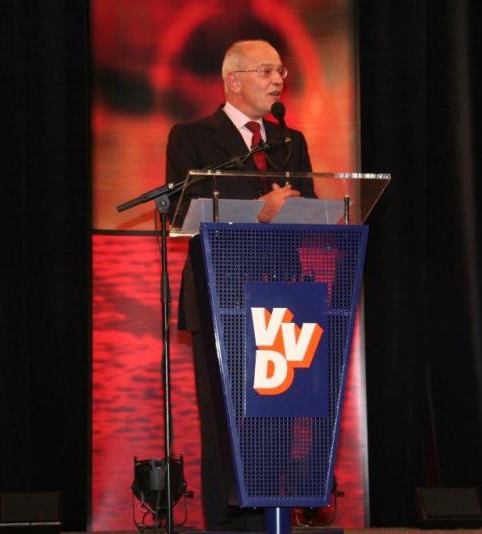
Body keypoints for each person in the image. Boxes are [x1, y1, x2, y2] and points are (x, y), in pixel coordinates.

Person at [164, 39, 314, 530]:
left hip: (283, 295)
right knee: (225, 417)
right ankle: (228, 524)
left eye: (281, 71)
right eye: (266, 71)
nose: (278, 80)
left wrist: (307, 214)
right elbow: (184, 214)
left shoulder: (290, 140)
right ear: (233, 79)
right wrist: (259, 212)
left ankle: (275, 512)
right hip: (220, 292)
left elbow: (308, 208)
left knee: (278, 415)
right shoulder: (192, 136)